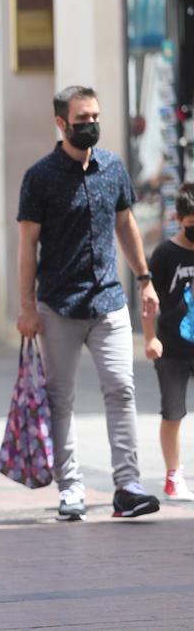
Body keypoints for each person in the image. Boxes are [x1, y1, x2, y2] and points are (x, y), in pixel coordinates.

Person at [17, 85, 161, 521]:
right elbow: (27, 246)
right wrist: (25, 306)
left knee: (122, 388)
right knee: (60, 398)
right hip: (58, 305)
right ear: (61, 123)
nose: (91, 125)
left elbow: (126, 224)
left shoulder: (113, 167)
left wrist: (144, 279)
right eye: (83, 119)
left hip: (109, 302)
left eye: (96, 116)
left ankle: (128, 485)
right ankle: (71, 489)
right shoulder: (39, 177)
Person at [142, 182, 194, 501]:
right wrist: (150, 338)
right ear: (178, 218)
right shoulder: (164, 254)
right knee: (173, 412)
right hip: (172, 348)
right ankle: (173, 474)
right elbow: (148, 300)